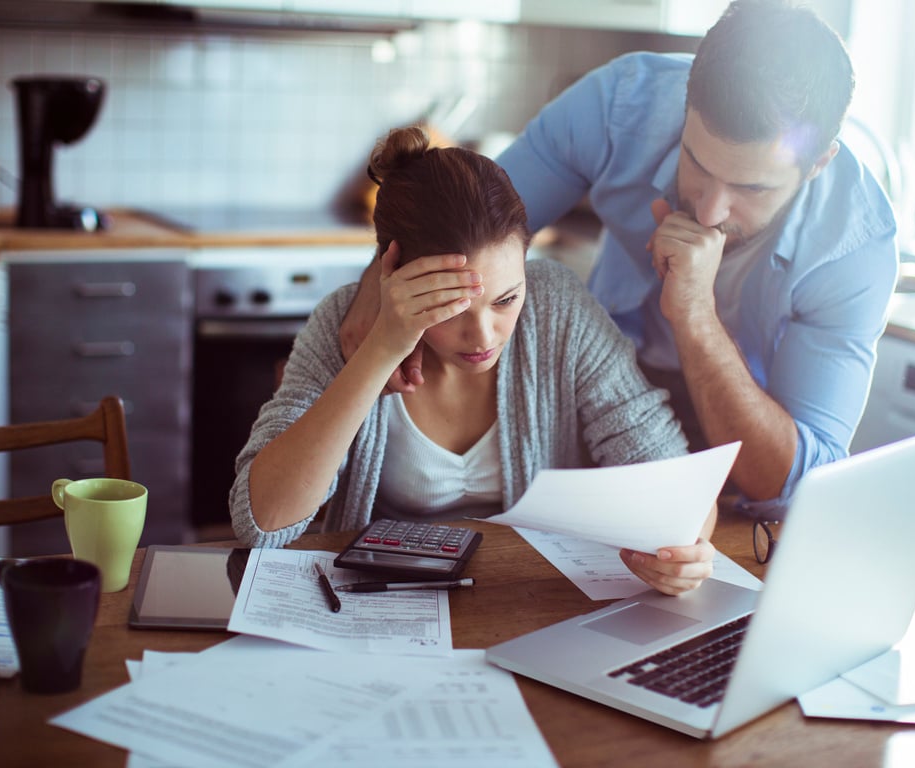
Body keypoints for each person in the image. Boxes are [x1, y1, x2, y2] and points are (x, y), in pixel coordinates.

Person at [341, 0, 899, 517]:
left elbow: (794, 486)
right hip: (606, 393)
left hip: (748, 434)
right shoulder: (620, 104)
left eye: (751, 188)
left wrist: (696, 317)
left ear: (820, 162)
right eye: (697, 165)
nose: (708, 212)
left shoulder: (855, 251)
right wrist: (379, 285)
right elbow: (470, 222)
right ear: (686, 104)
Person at [230, 126, 713, 595]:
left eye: (506, 300)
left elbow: (671, 476)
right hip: (383, 604)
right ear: (393, 277)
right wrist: (379, 352)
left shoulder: (557, 306)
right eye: (453, 308)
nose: (483, 336)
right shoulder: (342, 322)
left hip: (527, 601)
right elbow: (263, 523)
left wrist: (686, 550)